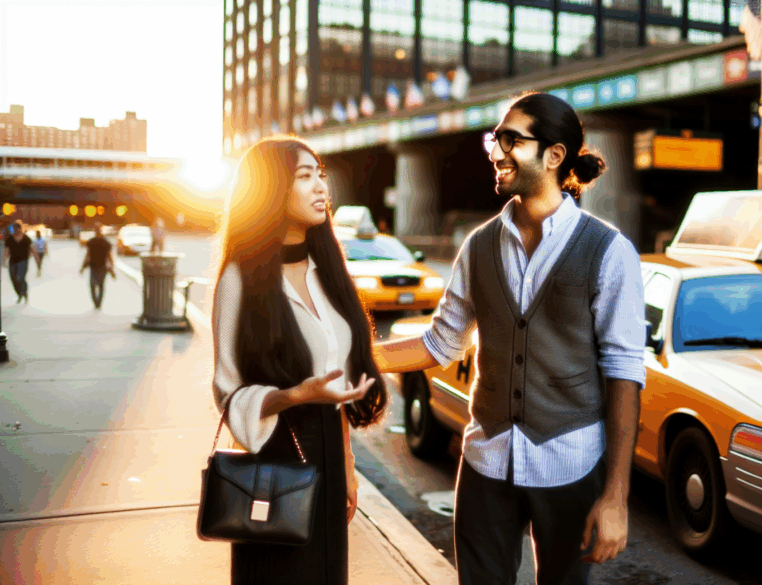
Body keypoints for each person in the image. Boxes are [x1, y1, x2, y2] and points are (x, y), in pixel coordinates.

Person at [374, 92, 646, 584]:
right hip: (485, 462)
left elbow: (624, 372)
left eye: (510, 140)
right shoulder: (478, 245)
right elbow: (439, 344)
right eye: (494, 140)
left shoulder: (609, 250)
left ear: (554, 155)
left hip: (570, 464)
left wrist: (615, 497)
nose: (496, 153)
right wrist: (358, 357)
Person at [211, 136, 387, 584]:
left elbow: (339, 383)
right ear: (271, 190)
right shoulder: (239, 278)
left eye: (320, 175)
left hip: (329, 460)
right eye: (305, 177)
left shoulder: (329, 271)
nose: (321, 187)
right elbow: (228, 392)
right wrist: (295, 395)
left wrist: (347, 465)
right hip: (274, 466)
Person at [80, 221, 116, 309]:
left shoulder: (103, 242)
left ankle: (98, 303)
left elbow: (109, 256)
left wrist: (111, 267)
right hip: (95, 266)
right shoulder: (94, 242)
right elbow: (88, 255)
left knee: (98, 285)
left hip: (100, 266)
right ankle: (97, 303)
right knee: (97, 285)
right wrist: (82, 267)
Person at [3, 220, 40, 303]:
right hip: (12, 262)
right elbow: (7, 250)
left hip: (23, 261)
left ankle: (24, 293)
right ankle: (19, 294)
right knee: (13, 279)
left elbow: (33, 250)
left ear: (20, 229)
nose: (15, 231)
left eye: (17, 229)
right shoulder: (10, 239)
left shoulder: (26, 238)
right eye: (14, 229)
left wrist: (37, 261)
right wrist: (4, 261)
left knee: (20, 278)